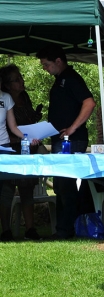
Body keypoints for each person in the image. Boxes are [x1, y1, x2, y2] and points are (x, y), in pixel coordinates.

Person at [36, 44, 96, 239]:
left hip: (70, 140)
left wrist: (73, 127)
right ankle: (66, 227)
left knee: (64, 184)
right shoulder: (60, 79)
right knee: (62, 185)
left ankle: (66, 229)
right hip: (60, 139)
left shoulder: (71, 78)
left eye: (46, 64)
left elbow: (89, 102)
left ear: (58, 61)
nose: (45, 69)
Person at [0, 65, 44, 240]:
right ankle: (6, 230)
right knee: (6, 190)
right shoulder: (9, 97)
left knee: (27, 188)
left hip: (19, 150)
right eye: (16, 79)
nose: (21, 82)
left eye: (21, 78)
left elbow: (13, 127)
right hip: (10, 147)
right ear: (8, 84)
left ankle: (30, 229)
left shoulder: (14, 99)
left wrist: (29, 137)